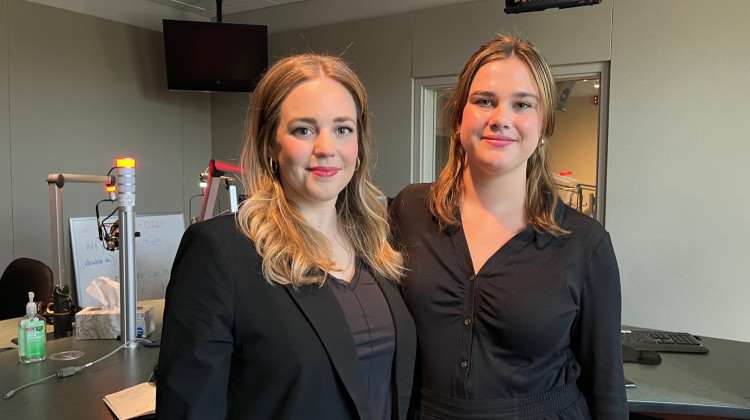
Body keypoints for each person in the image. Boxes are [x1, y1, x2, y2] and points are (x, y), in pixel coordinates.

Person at [156, 54, 416, 420]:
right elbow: (189, 409)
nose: (326, 148)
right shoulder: (219, 252)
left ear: (359, 147)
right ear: (269, 146)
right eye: (303, 130)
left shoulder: (379, 246)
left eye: (343, 129)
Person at [389, 35, 628, 419]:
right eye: (484, 101)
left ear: (544, 124)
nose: (500, 118)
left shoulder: (585, 243)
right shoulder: (409, 211)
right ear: (458, 117)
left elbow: (607, 387)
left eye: (522, 104)